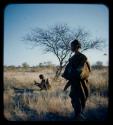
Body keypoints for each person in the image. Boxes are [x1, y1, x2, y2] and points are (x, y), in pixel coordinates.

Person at [62, 39, 91, 120]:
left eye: (72, 46)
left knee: (82, 99)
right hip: (74, 83)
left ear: (77, 46)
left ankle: (79, 116)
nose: (71, 47)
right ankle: (78, 115)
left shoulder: (83, 57)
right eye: (71, 46)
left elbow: (84, 70)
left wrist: (74, 73)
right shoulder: (71, 59)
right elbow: (70, 72)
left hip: (82, 83)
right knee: (75, 100)